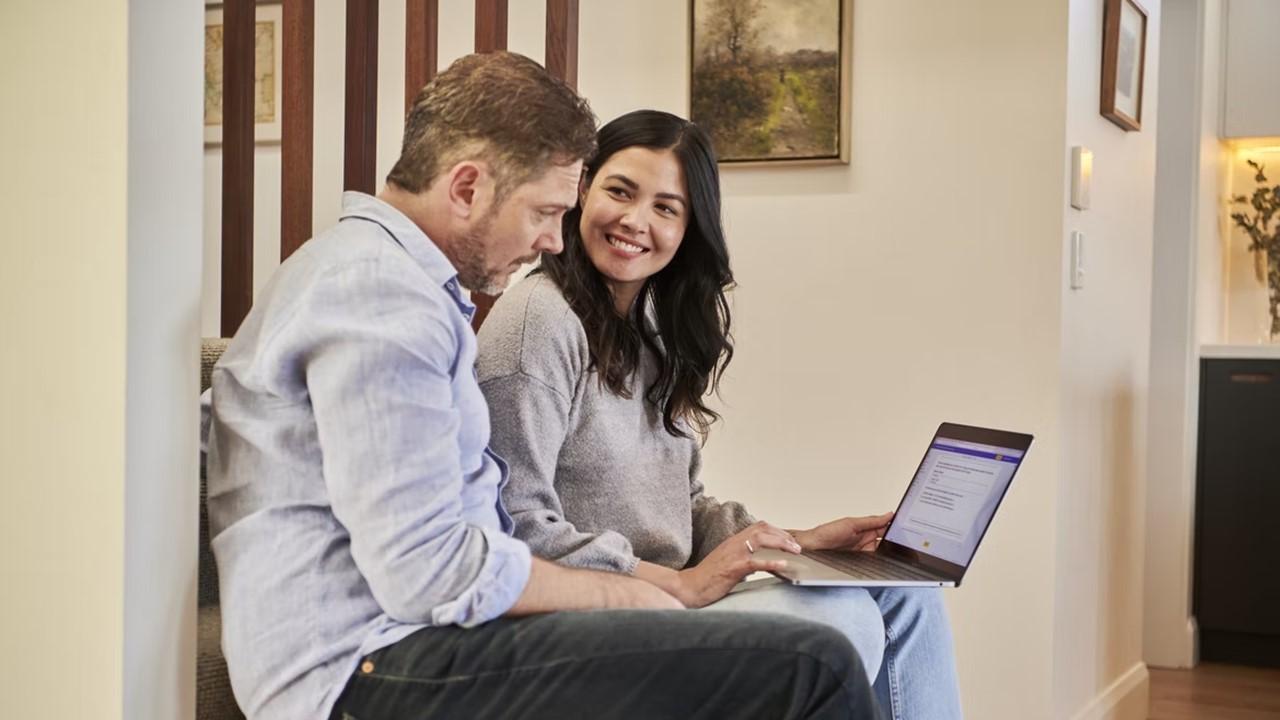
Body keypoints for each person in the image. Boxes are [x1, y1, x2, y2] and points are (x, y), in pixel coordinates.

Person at [207, 53, 883, 720]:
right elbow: (428, 568)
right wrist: (630, 595)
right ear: (468, 187)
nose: (555, 242)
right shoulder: (379, 297)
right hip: (367, 665)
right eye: (544, 212)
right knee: (812, 663)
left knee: (843, 627)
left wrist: (751, 555)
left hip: (418, 641)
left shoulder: (398, 287)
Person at [476, 109, 963, 720]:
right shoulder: (538, 324)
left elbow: (679, 502)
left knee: (906, 598)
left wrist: (793, 543)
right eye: (620, 192)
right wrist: (677, 583)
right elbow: (514, 526)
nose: (635, 221)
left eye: (666, 207)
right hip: (599, 615)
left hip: (671, 591)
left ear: (689, 228)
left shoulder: (647, 328)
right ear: (582, 191)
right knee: (839, 625)